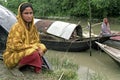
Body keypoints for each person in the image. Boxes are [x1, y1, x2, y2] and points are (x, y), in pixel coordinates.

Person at [3, 2, 47, 76]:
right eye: (26, 13)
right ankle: (14, 67)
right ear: (21, 14)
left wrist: (39, 47)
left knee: (42, 47)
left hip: (26, 50)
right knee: (33, 52)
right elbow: (15, 46)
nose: (29, 16)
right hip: (13, 54)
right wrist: (33, 47)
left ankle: (29, 65)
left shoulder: (33, 27)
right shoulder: (17, 27)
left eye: (31, 13)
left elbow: (36, 41)